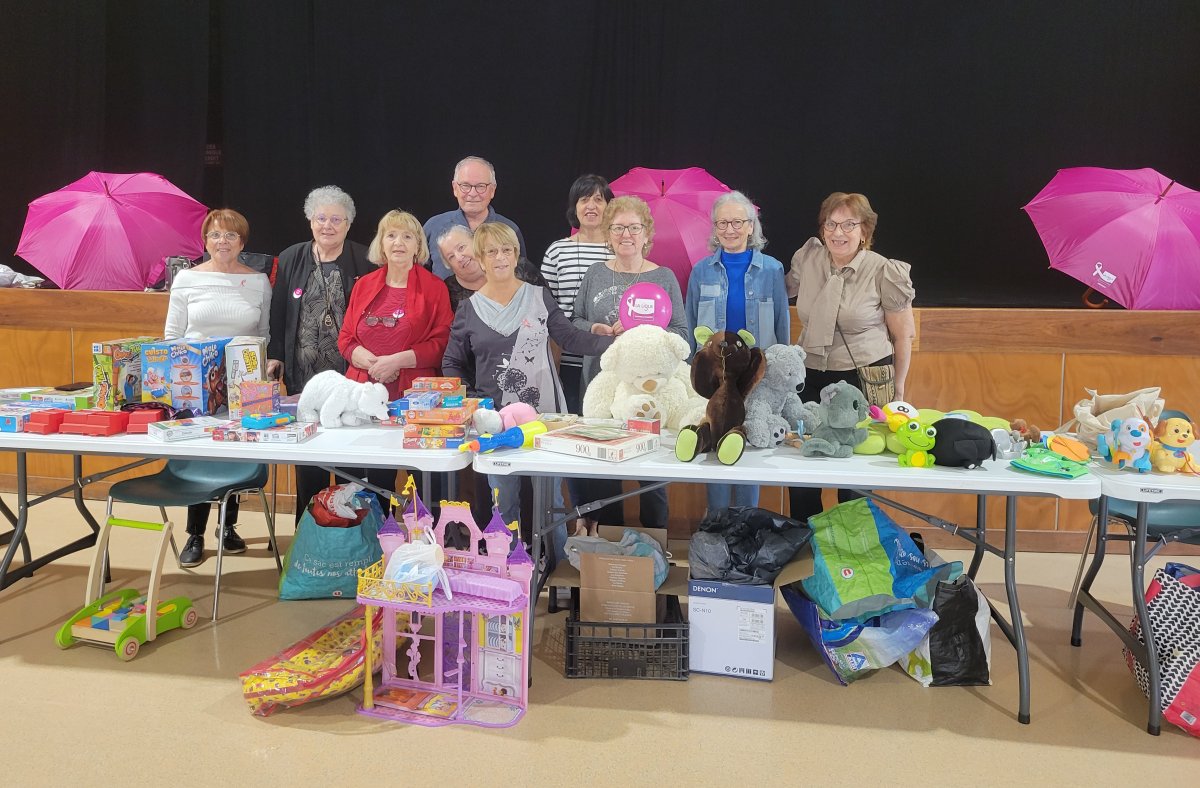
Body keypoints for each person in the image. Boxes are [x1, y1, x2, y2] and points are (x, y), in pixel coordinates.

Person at [442, 223, 613, 528]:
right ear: (481, 259)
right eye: (491, 251)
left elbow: (571, 338)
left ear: (516, 254)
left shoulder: (539, 297)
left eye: (507, 249)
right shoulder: (468, 309)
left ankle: (555, 567)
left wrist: (617, 342)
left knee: (551, 503)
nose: (500, 257)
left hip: (544, 417)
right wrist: (472, 405)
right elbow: (452, 363)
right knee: (502, 503)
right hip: (494, 421)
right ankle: (507, 569)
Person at [785, 192, 916, 523]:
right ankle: (807, 553)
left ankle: (853, 556)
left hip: (864, 379)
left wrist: (897, 391)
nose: (838, 232)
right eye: (831, 224)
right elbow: (779, 289)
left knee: (854, 475)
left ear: (865, 231)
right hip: (810, 376)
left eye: (848, 224)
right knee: (804, 472)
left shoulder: (884, 271)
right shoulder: (809, 259)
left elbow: (903, 336)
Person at [569, 195, 686, 532]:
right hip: (602, 387)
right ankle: (610, 555)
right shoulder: (595, 274)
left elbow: (680, 334)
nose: (626, 235)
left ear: (646, 234)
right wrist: (596, 329)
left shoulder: (664, 277)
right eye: (618, 228)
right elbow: (574, 320)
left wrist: (644, 333)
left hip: (651, 391)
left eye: (634, 228)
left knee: (651, 479)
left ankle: (654, 551)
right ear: (608, 234)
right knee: (606, 474)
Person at [163, 209, 271, 567]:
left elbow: (264, 334)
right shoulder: (187, 280)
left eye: (230, 236)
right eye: (215, 235)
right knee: (199, 455)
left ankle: (228, 527)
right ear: (204, 240)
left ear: (242, 242)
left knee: (235, 452)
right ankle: (194, 533)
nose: (222, 242)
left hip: (244, 380)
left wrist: (265, 367)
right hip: (195, 383)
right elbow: (171, 336)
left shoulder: (258, 281)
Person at [267, 186, 375, 523]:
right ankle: (307, 527)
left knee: (348, 455)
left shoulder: (364, 260)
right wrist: (275, 355)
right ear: (310, 220)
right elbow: (278, 311)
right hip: (304, 375)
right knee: (309, 455)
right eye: (321, 218)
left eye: (336, 219)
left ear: (348, 224)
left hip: (349, 376)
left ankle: (348, 526)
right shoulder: (290, 258)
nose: (328, 225)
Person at [685, 190, 790, 514]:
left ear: (750, 226)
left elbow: (781, 324)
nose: (729, 229)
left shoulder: (771, 270)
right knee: (716, 448)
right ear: (715, 228)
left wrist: (775, 375)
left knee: (748, 446)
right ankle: (715, 526)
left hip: (754, 376)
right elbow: (690, 323)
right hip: (714, 377)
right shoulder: (701, 271)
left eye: (737, 222)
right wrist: (694, 372)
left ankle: (745, 524)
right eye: (722, 223)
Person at [340, 210, 453, 400]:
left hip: (414, 396)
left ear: (418, 246)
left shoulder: (435, 288)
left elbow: (442, 344)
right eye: (391, 235)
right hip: (360, 393)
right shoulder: (363, 285)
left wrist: (396, 362)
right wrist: (375, 366)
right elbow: (345, 338)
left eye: (407, 237)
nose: (398, 242)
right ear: (381, 243)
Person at [542, 174, 615, 414]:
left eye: (598, 199)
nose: (591, 206)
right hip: (566, 357)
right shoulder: (557, 250)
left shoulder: (620, 251)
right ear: (575, 207)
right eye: (584, 199)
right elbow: (544, 307)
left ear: (608, 206)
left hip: (609, 357)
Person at [423, 156, 525, 278]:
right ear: (455, 188)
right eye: (465, 186)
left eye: (480, 186)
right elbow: (419, 279)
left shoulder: (509, 229)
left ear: (492, 190)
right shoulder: (434, 227)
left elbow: (522, 278)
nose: (472, 193)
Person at [438, 225, 547, 315]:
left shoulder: (516, 265)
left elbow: (549, 309)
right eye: (451, 257)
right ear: (449, 266)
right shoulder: (447, 291)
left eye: (461, 247)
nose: (459, 257)